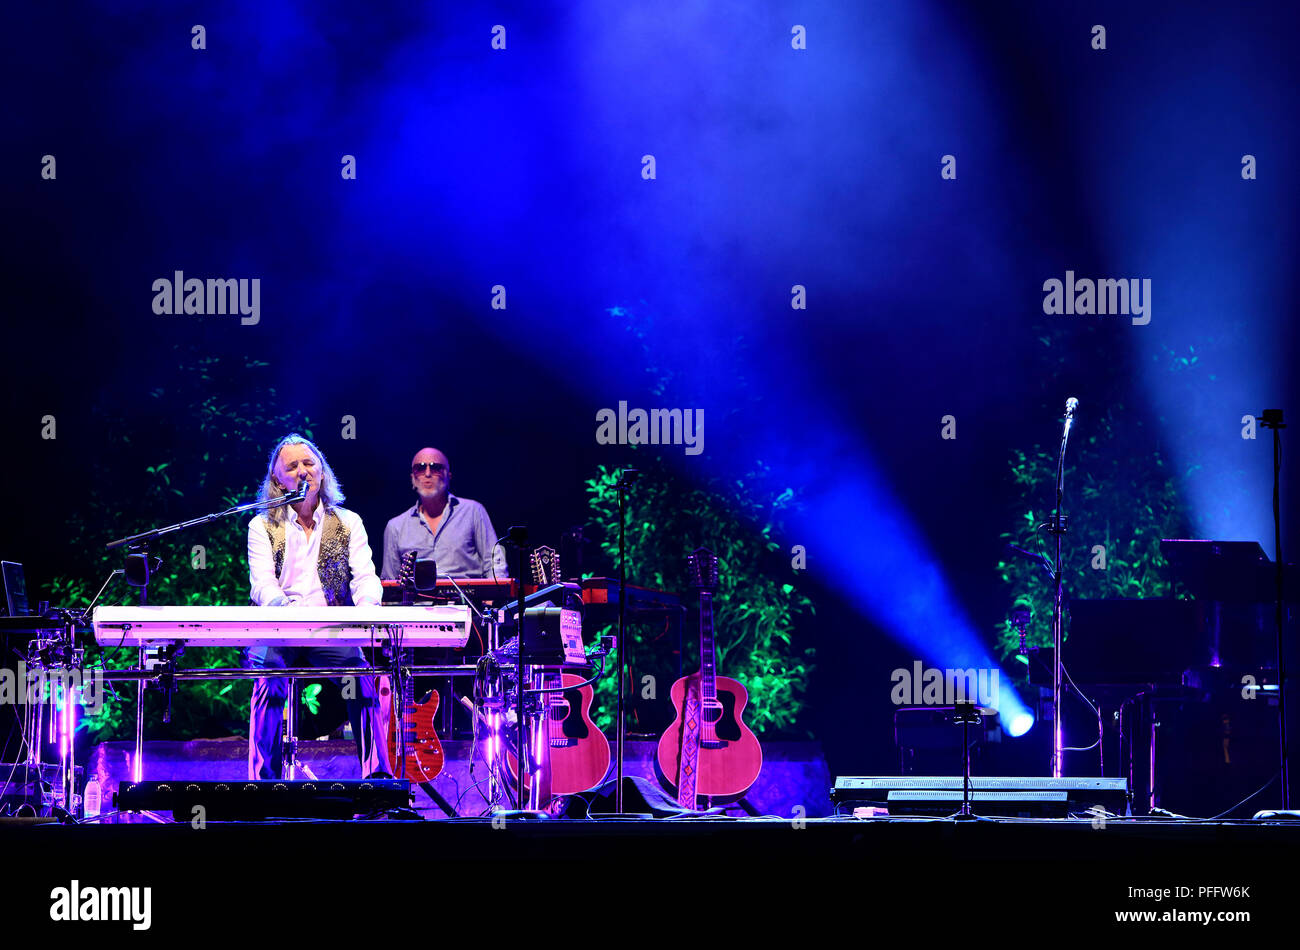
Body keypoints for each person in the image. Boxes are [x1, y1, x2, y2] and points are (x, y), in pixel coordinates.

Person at [245, 433, 390, 779]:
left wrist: (368, 607)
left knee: (361, 677)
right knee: (268, 678)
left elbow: (366, 577)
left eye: (309, 463)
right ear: (277, 479)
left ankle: (378, 781)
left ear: (322, 471)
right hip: (281, 630)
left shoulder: (348, 522)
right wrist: (286, 612)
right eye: (291, 466)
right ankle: (262, 786)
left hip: (331, 630)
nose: (302, 471)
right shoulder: (261, 525)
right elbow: (262, 585)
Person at [381, 447, 508, 581]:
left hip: (467, 600)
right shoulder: (395, 526)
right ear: (413, 478)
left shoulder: (473, 512)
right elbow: (390, 581)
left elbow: (495, 562)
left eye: (435, 468)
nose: (428, 474)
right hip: (417, 601)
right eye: (420, 468)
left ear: (449, 476)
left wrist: (492, 598)